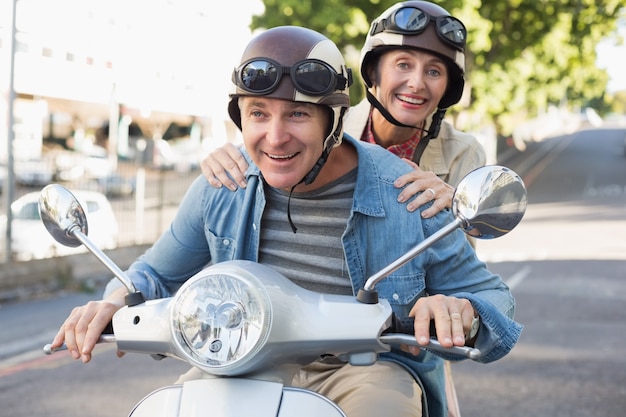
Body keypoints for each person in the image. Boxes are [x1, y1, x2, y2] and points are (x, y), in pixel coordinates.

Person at [50, 26, 521, 417]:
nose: (274, 137)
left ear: (334, 122)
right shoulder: (225, 183)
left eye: (297, 114)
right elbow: (152, 275)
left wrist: (463, 311)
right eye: (258, 114)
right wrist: (111, 302)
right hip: (242, 361)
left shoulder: (405, 192)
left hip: (364, 367)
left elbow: (490, 296)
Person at [200, 0, 486, 222]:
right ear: (373, 72)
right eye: (403, 65)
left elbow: (459, 274)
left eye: (434, 72)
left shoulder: (464, 152)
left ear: (448, 88)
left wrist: (455, 207)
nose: (416, 83)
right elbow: (275, 149)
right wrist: (228, 160)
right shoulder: (326, 128)